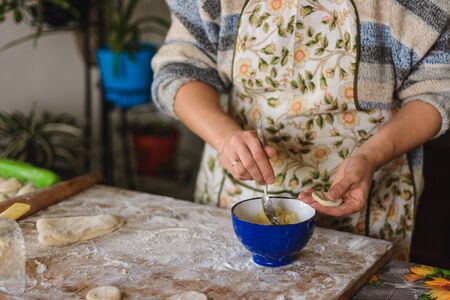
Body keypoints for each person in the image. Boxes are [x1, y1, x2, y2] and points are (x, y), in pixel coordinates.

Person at [152, 0, 450, 259]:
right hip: (236, 194)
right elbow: (181, 68)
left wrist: (370, 156)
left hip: (368, 203)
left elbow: (437, 89)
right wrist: (225, 136)